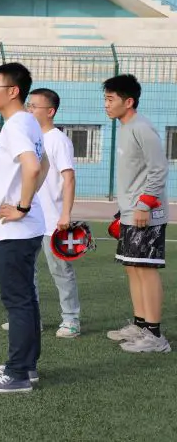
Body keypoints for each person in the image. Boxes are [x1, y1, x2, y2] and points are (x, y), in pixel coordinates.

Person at [0, 63, 49, 394]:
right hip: (25, 229)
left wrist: (21, 207)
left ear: (13, 91)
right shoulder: (29, 122)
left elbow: (33, 167)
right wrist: (28, 202)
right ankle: (27, 366)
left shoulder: (16, 125)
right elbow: (43, 164)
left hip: (15, 230)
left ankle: (18, 373)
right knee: (27, 299)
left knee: (17, 300)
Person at [103, 74, 170, 353]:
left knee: (145, 269)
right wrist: (127, 208)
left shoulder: (142, 128)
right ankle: (140, 325)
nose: (106, 104)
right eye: (105, 99)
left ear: (128, 101)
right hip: (131, 212)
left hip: (146, 213)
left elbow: (159, 169)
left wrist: (144, 204)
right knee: (133, 267)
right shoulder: (125, 127)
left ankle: (155, 336)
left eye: (111, 99)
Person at [22, 88, 81, 338]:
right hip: (30, 219)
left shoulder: (58, 140)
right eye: (28, 105)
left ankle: (71, 319)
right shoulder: (30, 139)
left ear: (50, 111)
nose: (29, 110)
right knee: (27, 272)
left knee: (61, 271)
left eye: (34, 106)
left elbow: (69, 179)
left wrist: (65, 214)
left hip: (53, 222)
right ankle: (31, 319)